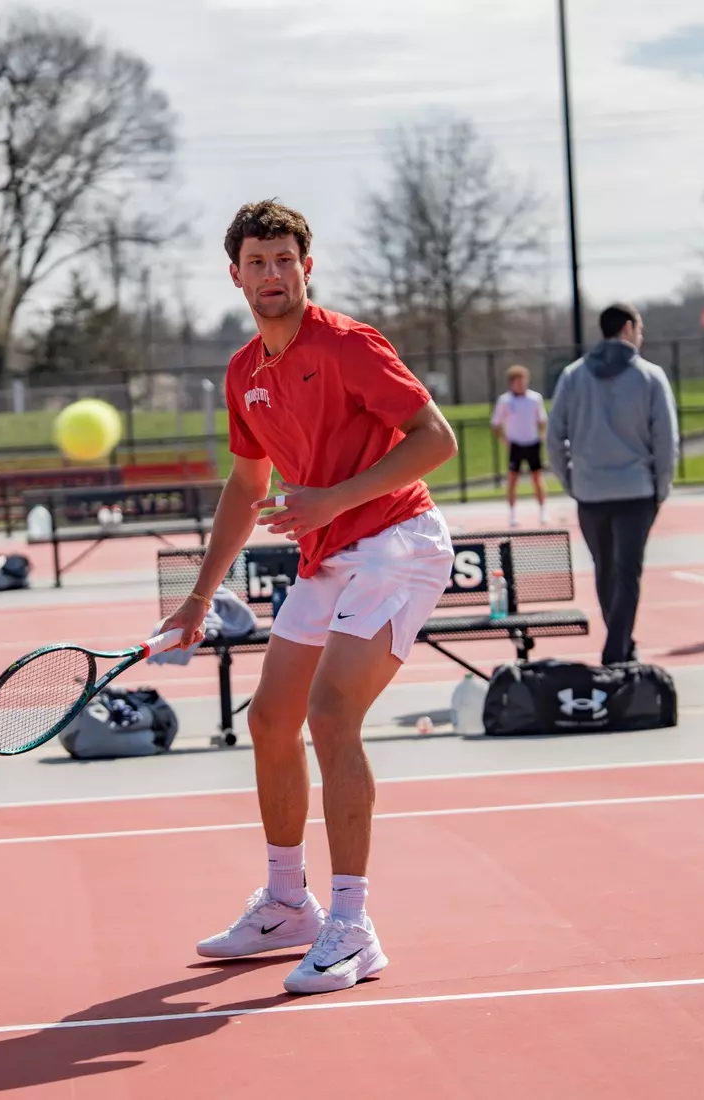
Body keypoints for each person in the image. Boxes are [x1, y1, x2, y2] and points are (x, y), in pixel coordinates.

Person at [160, 200, 458, 996]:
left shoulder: (351, 345)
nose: (271, 275)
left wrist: (331, 499)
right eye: (257, 263)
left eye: (285, 260)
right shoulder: (242, 372)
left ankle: (353, 927)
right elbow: (246, 483)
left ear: (306, 267)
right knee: (268, 720)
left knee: (331, 716)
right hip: (331, 555)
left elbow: (438, 439)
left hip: (400, 542)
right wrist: (198, 595)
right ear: (236, 276)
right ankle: (288, 902)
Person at [546, 304, 678, 665]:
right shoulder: (650, 377)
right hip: (636, 491)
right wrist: (660, 488)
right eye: (640, 327)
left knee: (605, 570)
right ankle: (618, 651)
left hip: (590, 491)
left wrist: (572, 481)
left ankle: (621, 644)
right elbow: (666, 441)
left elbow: (554, 438)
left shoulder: (573, 377)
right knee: (628, 574)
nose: (641, 335)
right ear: (627, 327)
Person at [490, 364, 548, 526]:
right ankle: (512, 514)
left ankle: (543, 511)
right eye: (519, 381)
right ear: (512, 382)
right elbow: (495, 424)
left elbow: (542, 420)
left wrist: (541, 436)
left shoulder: (535, 398)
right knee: (512, 479)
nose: (522, 384)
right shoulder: (505, 400)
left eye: (524, 380)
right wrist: (505, 440)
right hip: (515, 445)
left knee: (537, 478)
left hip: (533, 443)